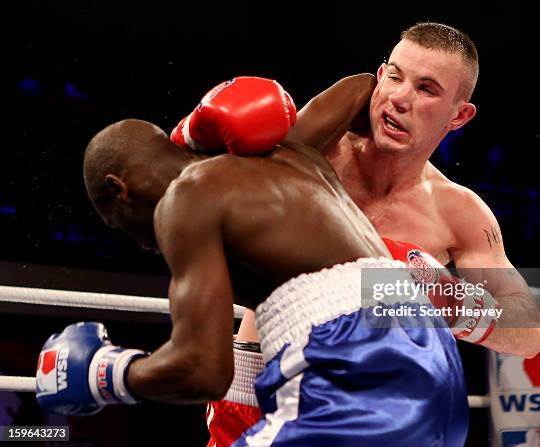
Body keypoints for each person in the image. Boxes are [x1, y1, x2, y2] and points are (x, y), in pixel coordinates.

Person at [35, 76, 473, 446]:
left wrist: (105, 372)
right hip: (437, 366)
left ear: (120, 190)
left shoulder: (184, 201)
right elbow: (364, 85)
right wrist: (193, 132)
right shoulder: (289, 152)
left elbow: (202, 369)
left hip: (352, 363)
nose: (139, 242)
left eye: (117, 225)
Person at [201, 22, 540, 446]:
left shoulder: (458, 213)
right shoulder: (314, 158)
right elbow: (220, 246)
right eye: (395, 77)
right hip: (260, 377)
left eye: (426, 89)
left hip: (370, 402)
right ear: (379, 77)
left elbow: (528, 332)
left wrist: (448, 299)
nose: (400, 99)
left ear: (459, 115)